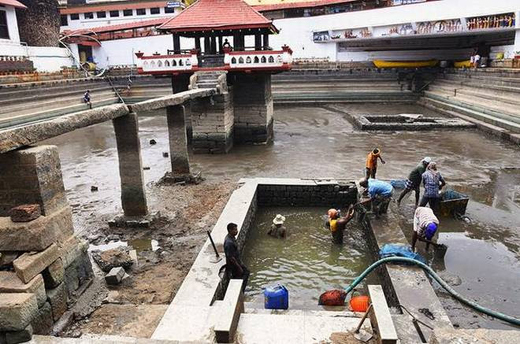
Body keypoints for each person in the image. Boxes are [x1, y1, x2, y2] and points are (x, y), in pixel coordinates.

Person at [224, 222, 249, 291]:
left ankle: (240, 289)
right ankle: (240, 291)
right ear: (230, 230)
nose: (236, 231)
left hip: (237, 261)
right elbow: (231, 257)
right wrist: (238, 267)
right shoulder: (229, 243)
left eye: (236, 229)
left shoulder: (231, 237)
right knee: (244, 273)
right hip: (234, 265)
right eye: (234, 230)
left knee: (244, 273)